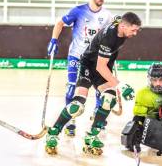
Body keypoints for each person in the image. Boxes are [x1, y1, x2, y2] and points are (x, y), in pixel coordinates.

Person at [45, 12, 142, 155]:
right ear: (122, 26)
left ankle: (91, 136)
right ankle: (53, 133)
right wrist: (120, 85)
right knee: (77, 106)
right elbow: (100, 67)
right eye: (133, 30)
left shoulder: (119, 25)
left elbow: (117, 19)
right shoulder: (109, 37)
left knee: (109, 99)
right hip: (89, 66)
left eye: (137, 30)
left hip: (103, 65)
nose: (135, 33)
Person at [47, 0, 112, 137]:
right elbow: (60, 23)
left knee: (101, 91)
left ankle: (97, 117)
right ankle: (70, 120)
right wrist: (54, 40)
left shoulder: (108, 16)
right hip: (76, 56)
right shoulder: (79, 11)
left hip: (96, 59)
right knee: (72, 88)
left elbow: (110, 38)